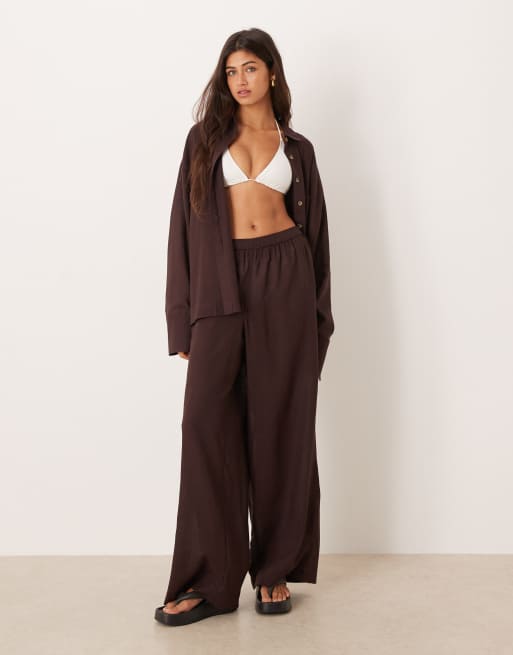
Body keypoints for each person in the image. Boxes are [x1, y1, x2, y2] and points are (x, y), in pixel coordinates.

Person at [154, 27, 335, 627]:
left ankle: (274, 569)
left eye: (251, 68)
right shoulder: (204, 142)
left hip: (285, 280)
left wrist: (319, 322)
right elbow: (182, 230)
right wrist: (182, 320)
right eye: (231, 71)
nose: (240, 80)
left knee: (281, 424)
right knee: (204, 426)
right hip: (221, 286)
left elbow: (317, 242)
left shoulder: (297, 149)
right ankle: (208, 580)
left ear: (272, 73)